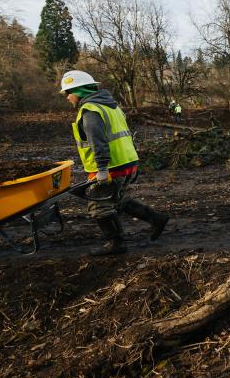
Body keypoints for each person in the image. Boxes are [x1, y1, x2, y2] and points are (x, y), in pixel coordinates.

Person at [60, 70, 169, 256]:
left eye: (68, 93)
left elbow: (98, 142)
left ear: (78, 91)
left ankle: (115, 243)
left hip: (111, 167)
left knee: (99, 206)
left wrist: (102, 169)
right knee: (116, 200)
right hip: (127, 161)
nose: (67, 98)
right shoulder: (111, 106)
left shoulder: (90, 111)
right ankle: (156, 219)